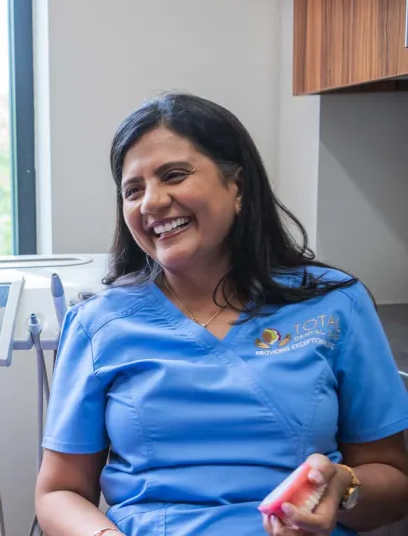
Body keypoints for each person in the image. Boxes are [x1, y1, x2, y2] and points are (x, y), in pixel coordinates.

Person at [34, 93, 408, 536]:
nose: (151, 202)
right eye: (132, 190)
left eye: (175, 175)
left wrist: (344, 487)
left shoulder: (334, 305)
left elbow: (393, 483)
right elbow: (59, 493)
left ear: (238, 186)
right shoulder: (98, 325)